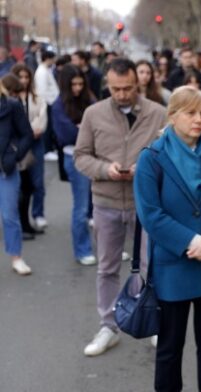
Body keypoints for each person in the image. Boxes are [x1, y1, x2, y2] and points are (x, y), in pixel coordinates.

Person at [134, 86, 201, 392]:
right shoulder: (152, 158)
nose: (198, 120)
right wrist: (192, 241)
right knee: (169, 348)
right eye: (190, 113)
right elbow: (151, 214)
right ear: (172, 116)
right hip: (173, 267)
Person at [74, 58, 167, 356]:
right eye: (116, 89)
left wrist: (147, 166)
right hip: (106, 201)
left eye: (128, 88)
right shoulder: (93, 113)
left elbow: (171, 154)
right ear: (108, 85)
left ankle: (154, 322)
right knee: (106, 267)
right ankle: (108, 325)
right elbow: (80, 156)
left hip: (146, 205)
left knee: (152, 267)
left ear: (137, 84)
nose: (122, 94)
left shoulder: (158, 113)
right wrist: (105, 169)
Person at [51, 65, 96, 263]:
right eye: (73, 84)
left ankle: (107, 247)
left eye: (80, 83)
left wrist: (80, 128)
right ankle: (82, 250)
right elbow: (65, 135)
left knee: (101, 206)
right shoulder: (58, 105)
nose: (77, 88)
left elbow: (102, 127)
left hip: (96, 156)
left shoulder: (90, 99)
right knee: (82, 208)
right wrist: (86, 131)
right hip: (74, 158)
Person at [0, 71, 34, 275]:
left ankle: (16, 257)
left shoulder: (12, 106)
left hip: (6, 169)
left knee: (10, 215)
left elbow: (26, 134)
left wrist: (13, 156)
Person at [11, 64, 48, 236]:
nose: (24, 81)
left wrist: (29, 131)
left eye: (27, 77)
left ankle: (37, 214)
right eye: (21, 77)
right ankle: (20, 222)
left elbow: (42, 119)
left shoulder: (37, 98)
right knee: (22, 186)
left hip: (35, 142)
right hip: (18, 145)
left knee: (37, 183)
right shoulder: (11, 99)